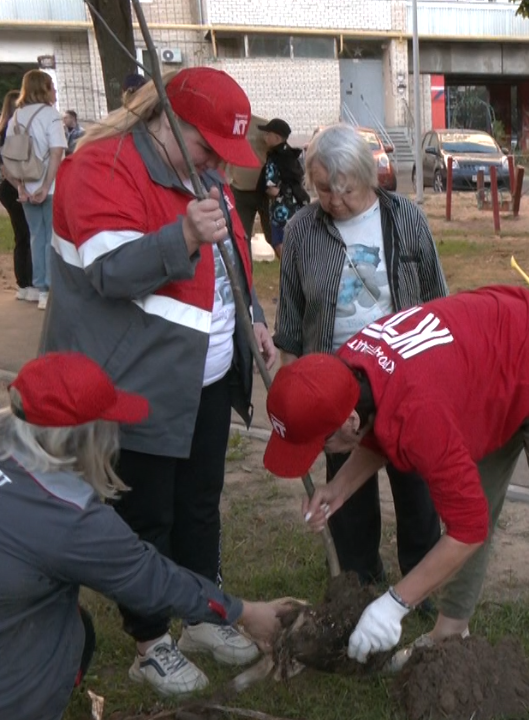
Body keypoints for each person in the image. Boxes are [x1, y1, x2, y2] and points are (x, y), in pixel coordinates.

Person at [265, 285, 529, 711]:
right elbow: (379, 425)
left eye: (318, 444)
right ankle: (450, 631)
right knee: (467, 500)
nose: (317, 455)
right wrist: (340, 488)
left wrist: (394, 603)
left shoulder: (419, 412)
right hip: (489, 372)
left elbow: (469, 530)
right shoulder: (350, 369)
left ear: (348, 419)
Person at [42, 67, 278, 696]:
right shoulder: (101, 167)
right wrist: (180, 234)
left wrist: (252, 319)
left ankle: (203, 614)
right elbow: (107, 271)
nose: (220, 170)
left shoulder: (203, 176)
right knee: (148, 517)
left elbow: (229, 264)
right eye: (208, 149)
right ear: (164, 121)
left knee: (201, 505)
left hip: (202, 374)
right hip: (135, 380)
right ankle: (150, 640)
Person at [0, 353, 291, 717]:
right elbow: (154, 580)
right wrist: (244, 612)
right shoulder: (70, 520)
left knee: (74, 625)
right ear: (82, 437)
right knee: (63, 639)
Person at [273, 123, 444, 588]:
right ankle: (358, 581)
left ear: (368, 177)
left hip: (402, 373)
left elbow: (437, 302)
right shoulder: (302, 230)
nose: (333, 200)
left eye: (343, 189)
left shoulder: (406, 219)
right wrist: (294, 395)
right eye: (322, 188)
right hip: (333, 380)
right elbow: (290, 322)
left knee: (415, 484)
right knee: (346, 482)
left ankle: (421, 580)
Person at [11, 70, 67, 310]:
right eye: (51, 86)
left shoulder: (16, 116)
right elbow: (57, 152)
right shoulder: (51, 116)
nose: (54, 90)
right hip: (49, 186)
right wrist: (46, 186)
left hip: (25, 185)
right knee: (50, 239)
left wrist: (21, 186)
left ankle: (37, 286)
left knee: (36, 236)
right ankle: (47, 289)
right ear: (43, 88)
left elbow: (13, 156)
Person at [258, 117, 309, 260]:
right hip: (298, 208)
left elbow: (271, 187)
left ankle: (290, 275)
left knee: (281, 245)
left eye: (267, 134)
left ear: (276, 137)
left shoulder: (273, 159)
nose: (264, 137)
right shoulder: (292, 156)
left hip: (281, 211)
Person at [0, 89, 33, 301]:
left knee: (23, 233)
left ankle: (25, 282)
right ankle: (25, 282)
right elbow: (6, 166)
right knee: (25, 234)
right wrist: (20, 186)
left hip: (8, 187)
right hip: (12, 186)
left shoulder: (5, 129)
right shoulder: (9, 131)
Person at [226, 114, 272, 254]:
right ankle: (245, 275)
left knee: (275, 237)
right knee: (241, 237)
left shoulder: (264, 125)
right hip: (240, 192)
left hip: (265, 193)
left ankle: (293, 271)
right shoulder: (229, 124)